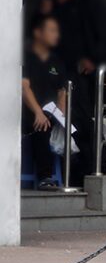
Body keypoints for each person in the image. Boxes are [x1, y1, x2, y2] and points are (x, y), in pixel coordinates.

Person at [42, 0, 106, 179]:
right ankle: (75, 173)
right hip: (55, 73)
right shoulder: (50, 5)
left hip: (84, 75)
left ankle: (99, 165)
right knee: (67, 123)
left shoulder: (88, 2)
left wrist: (97, 61)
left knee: (89, 119)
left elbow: (103, 36)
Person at [20, 14, 67, 188]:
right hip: (30, 113)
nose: (56, 35)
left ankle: (88, 173)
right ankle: (45, 177)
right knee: (42, 123)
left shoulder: (56, 61)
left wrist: (62, 113)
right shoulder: (26, 58)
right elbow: (24, 87)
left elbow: (62, 90)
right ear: (38, 33)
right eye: (52, 30)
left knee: (84, 127)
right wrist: (38, 112)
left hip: (52, 112)